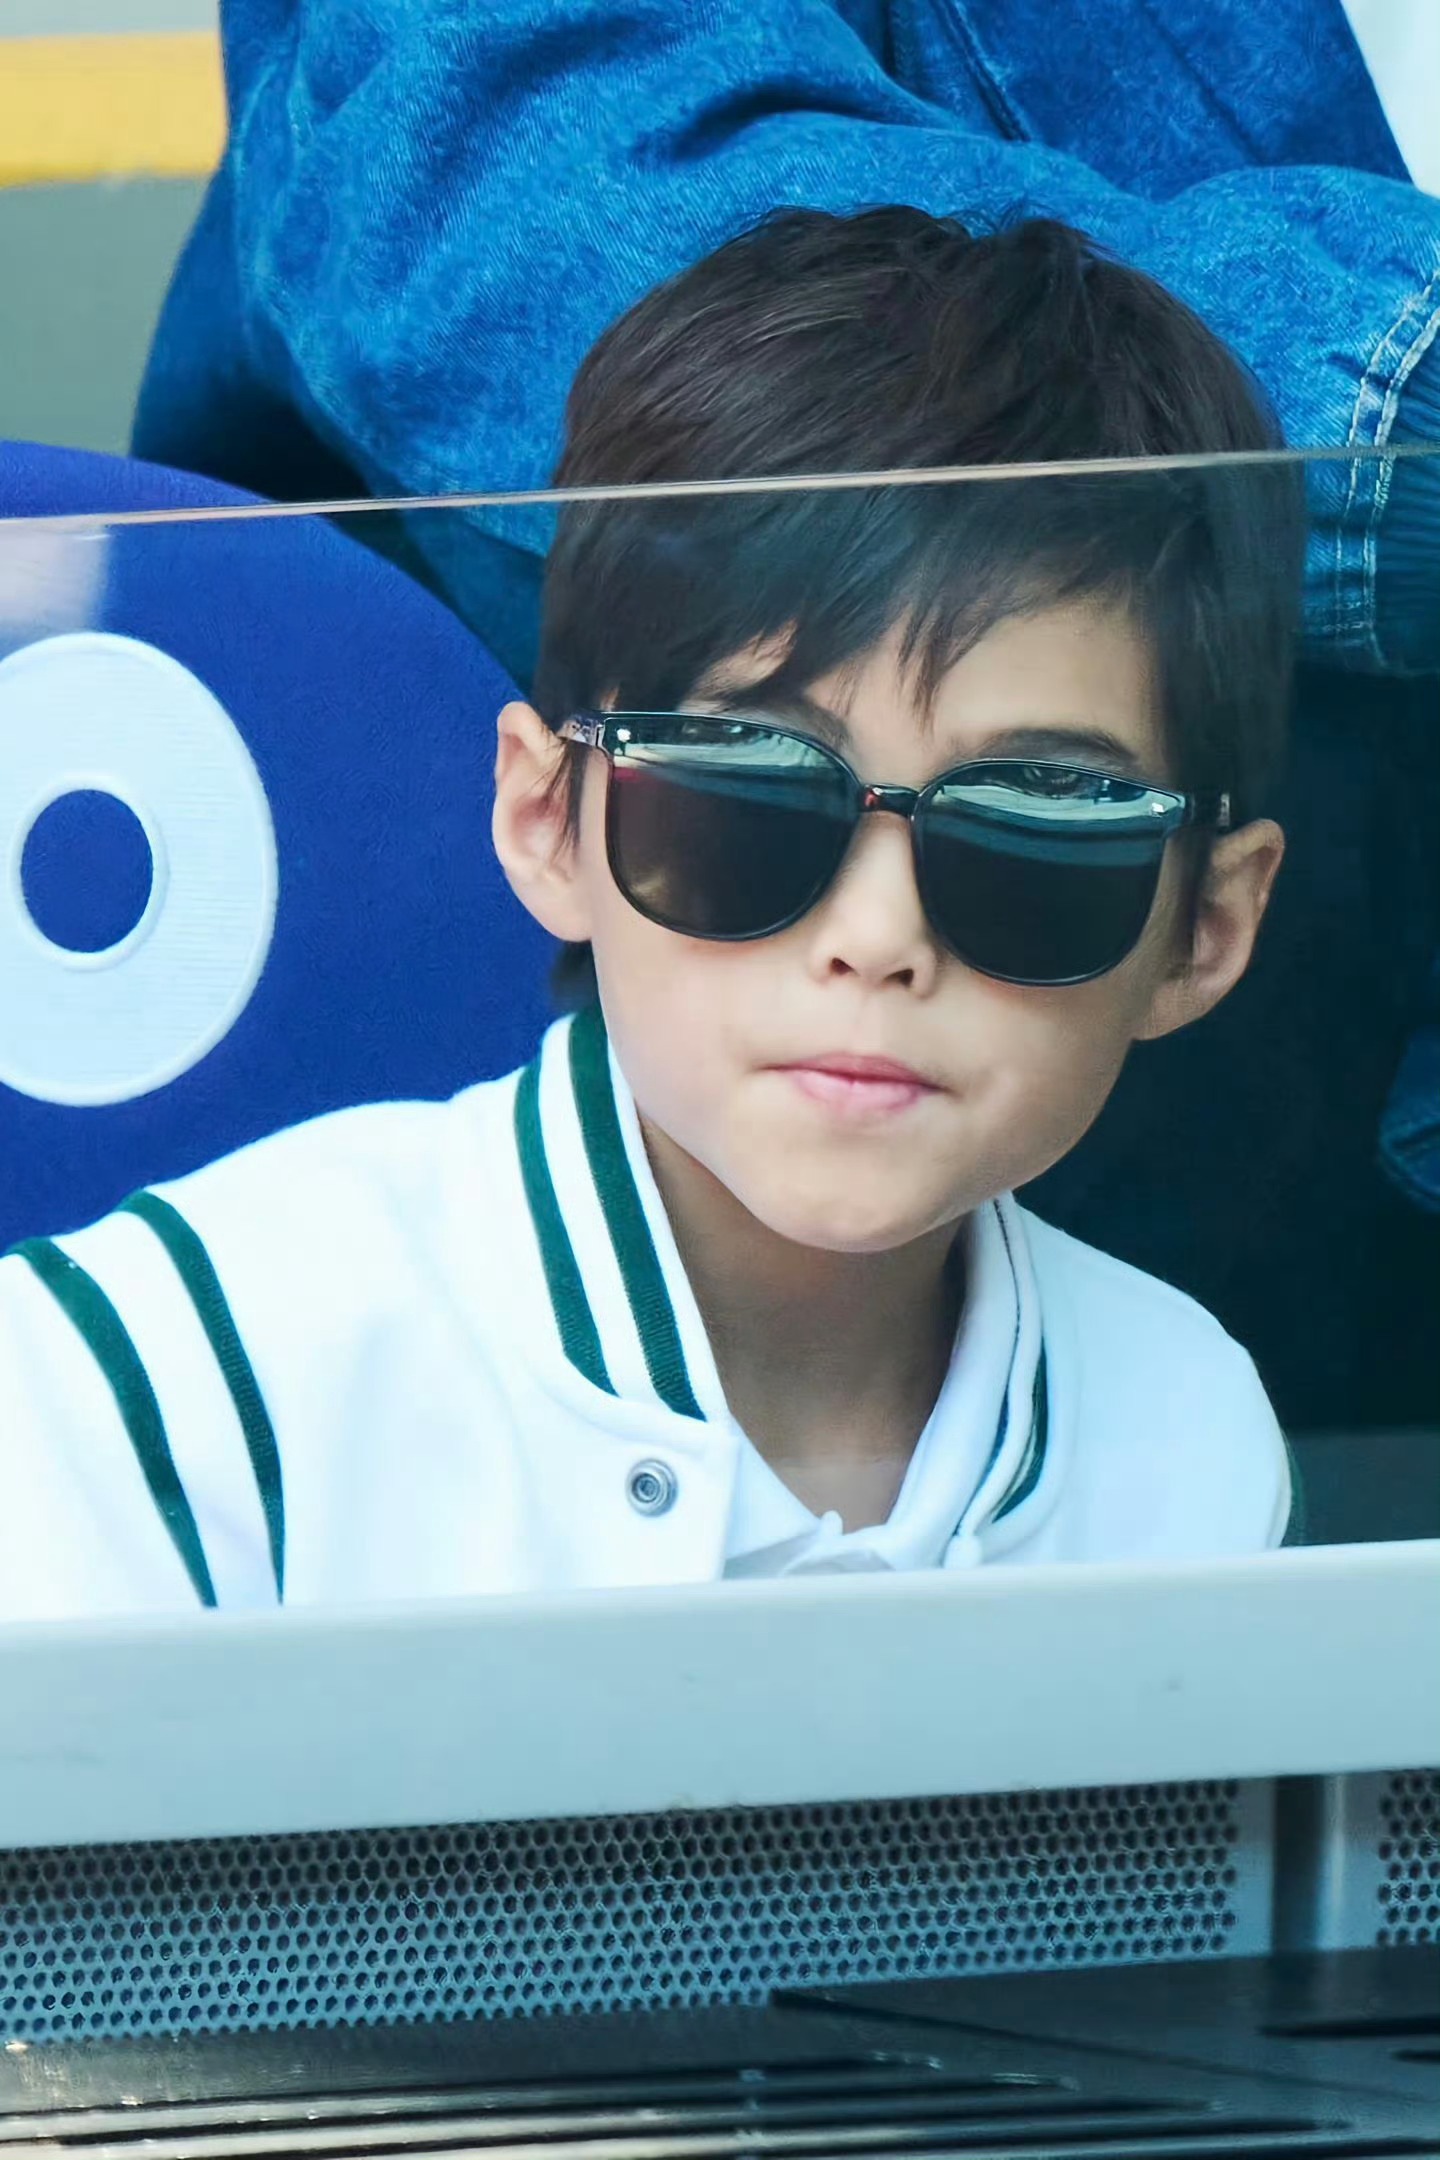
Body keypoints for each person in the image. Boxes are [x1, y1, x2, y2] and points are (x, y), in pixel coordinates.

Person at [2, 210, 1304, 1619]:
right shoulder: (160, 1388)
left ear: (1206, 928)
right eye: (745, 797)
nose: (878, 940)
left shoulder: (1186, 1436)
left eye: (1036, 829)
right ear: (546, 819)